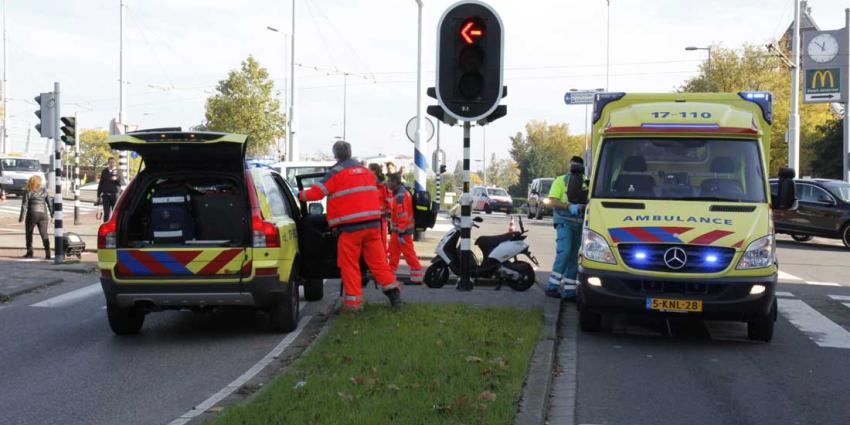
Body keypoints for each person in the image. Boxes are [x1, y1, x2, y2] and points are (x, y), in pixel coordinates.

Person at [300, 141, 403, 312]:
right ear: (350, 152)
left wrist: (300, 195)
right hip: (372, 226)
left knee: (350, 265)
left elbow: (316, 193)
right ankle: (395, 295)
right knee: (379, 263)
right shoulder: (367, 173)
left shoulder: (335, 173)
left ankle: (353, 305)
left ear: (336, 155)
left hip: (349, 229)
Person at [544, 156, 588, 299]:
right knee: (565, 251)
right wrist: (569, 206)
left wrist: (583, 206)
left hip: (579, 224)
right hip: (564, 222)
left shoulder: (586, 181)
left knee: (574, 257)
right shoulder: (561, 180)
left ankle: (569, 290)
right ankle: (552, 286)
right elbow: (552, 201)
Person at [386, 173, 423, 284]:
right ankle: (389, 277)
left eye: (389, 181)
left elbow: (402, 215)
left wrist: (401, 233)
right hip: (398, 231)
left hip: (402, 231)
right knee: (393, 253)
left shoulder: (400, 196)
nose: (388, 183)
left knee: (408, 254)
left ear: (395, 182)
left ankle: (417, 278)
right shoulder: (401, 193)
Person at [19, 175, 53, 259]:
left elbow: (24, 205)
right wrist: (52, 215)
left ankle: (30, 252)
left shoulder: (28, 191)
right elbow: (50, 204)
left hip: (32, 214)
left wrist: (21, 217)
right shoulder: (44, 191)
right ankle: (48, 253)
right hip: (43, 215)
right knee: (44, 234)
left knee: (29, 233)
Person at [97, 157, 124, 222]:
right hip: (106, 196)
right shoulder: (104, 171)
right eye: (110, 162)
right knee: (106, 213)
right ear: (108, 163)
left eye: (113, 162)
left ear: (115, 163)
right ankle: (106, 228)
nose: (111, 164)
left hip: (115, 195)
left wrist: (116, 179)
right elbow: (101, 183)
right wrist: (98, 195)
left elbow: (122, 182)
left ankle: (115, 228)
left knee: (116, 213)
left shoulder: (119, 171)